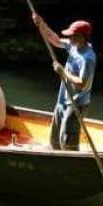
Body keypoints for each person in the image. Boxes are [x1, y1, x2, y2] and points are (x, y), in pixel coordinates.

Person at [32, 15, 96, 151]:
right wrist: (41, 24)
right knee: (55, 138)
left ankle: (72, 164)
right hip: (63, 99)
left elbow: (82, 83)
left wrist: (63, 71)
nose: (70, 38)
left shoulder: (87, 58)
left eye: (73, 35)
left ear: (82, 37)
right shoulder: (73, 46)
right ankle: (54, 157)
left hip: (76, 104)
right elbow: (54, 40)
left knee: (67, 140)